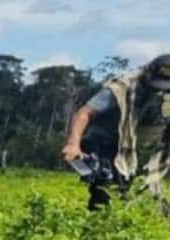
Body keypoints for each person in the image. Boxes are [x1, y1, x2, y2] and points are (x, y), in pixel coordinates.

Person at [62, 54, 170, 210]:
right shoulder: (122, 86)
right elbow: (84, 113)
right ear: (147, 73)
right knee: (106, 186)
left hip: (133, 148)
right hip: (104, 141)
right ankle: (100, 226)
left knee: (137, 191)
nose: (157, 90)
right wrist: (73, 144)